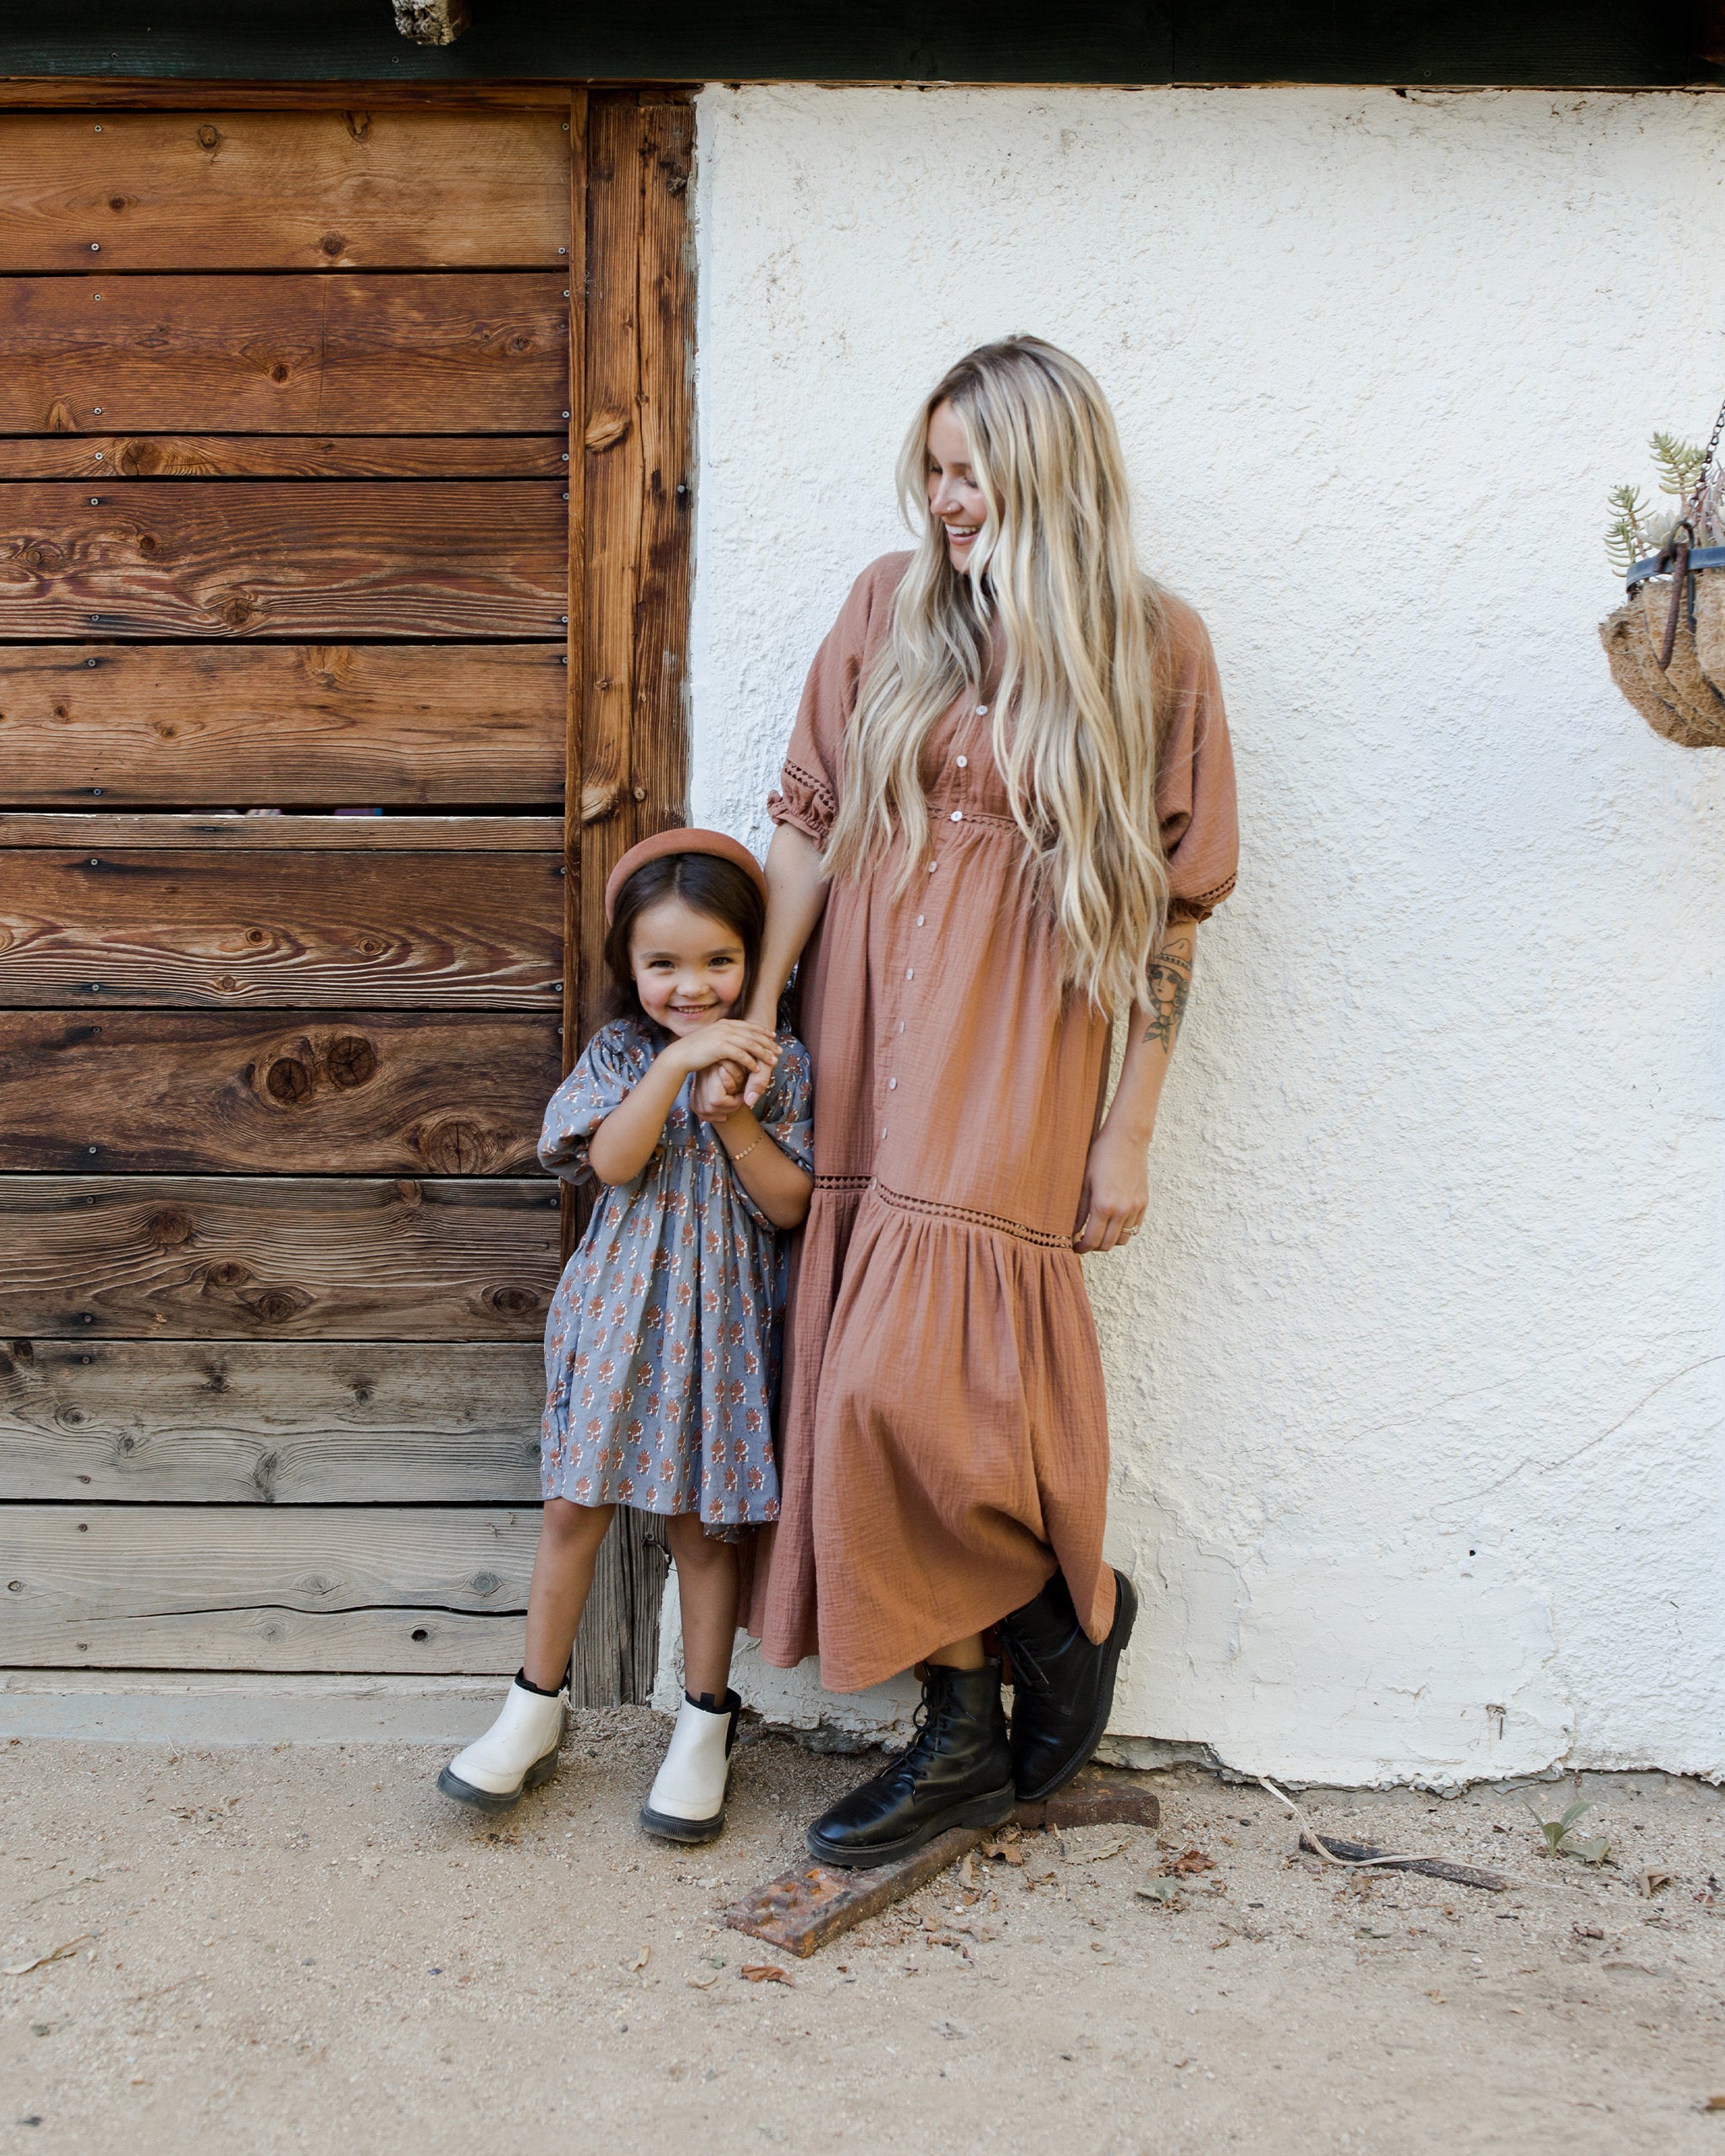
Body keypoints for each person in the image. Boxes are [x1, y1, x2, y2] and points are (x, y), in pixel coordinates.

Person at [697, 336, 1239, 1868]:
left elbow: (1171, 913)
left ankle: (1052, 1616)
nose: (941, 500)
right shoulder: (888, 606)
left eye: (970, 472)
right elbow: (807, 822)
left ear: (1048, 475)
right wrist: (759, 1012)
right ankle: (967, 1720)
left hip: (1019, 1049)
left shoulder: (1153, 646)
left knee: (912, 1388)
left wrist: (1128, 1129)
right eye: (931, 470)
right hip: (869, 1022)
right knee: (858, 1378)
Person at [438, 830, 814, 1844]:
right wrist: (678, 1064)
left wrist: (731, 1115)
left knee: (704, 1526)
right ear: (629, 965)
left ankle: (703, 1728)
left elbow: (789, 1205)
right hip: (615, 1310)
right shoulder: (617, 1053)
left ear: (754, 956)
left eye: (718, 960)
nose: (691, 986)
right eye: (663, 964)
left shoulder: (780, 1064)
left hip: (723, 1323)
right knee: (574, 1506)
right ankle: (532, 1710)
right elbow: (610, 1162)